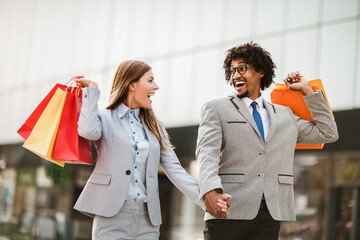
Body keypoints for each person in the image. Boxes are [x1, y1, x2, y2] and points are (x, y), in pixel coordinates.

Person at [196, 42, 339, 240]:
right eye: (232, 71)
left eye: (242, 68)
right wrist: (209, 191)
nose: (235, 75)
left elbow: (328, 132)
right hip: (229, 209)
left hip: (270, 213)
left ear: (261, 71)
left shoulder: (284, 115)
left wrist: (308, 91)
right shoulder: (216, 108)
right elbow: (206, 154)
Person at [73, 60, 229, 240]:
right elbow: (88, 131)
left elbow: (176, 170)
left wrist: (207, 200)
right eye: (150, 80)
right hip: (111, 216)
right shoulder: (104, 117)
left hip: (147, 219)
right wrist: (92, 91)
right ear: (132, 84)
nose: (156, 86)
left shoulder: (156, 126)